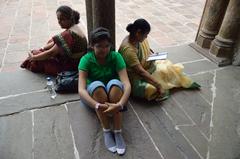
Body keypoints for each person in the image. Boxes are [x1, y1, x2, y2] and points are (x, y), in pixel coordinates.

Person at [78, 27, 131, 155]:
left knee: (115, 84)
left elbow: (127, 84)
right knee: (97, 86)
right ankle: (107, 130)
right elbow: (81, 89)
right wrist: (96, 105)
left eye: (107, 46)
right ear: (91, 45)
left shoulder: (116, 56)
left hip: (115, 97)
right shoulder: (86, 59)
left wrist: (120, 104)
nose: (104, 50)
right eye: (99, 46)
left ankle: (118, 132)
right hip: (95, 98)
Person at [118, 18, 200, 101]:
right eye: (145, 35)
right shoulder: (128, 50)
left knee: (168, 69)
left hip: (146, 66)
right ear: (138, 33)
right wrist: (158, 85)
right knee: (152, 89)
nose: (146, 37)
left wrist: (151, 54)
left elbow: (146, 49)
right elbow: (140, 72)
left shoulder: (135, 38)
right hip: (135, 77)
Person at [21, 5, 87, 76]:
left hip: (71, 66)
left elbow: (51, 53)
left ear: (70, 19)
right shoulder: (75, 27)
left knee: (35, 55)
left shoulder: (68, 34)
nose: (59, 22)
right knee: (53, 40)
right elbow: (54, 43)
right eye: (58, 19)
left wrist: (34, 58)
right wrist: (43, 49)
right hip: (77, 61)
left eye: (62, 19)